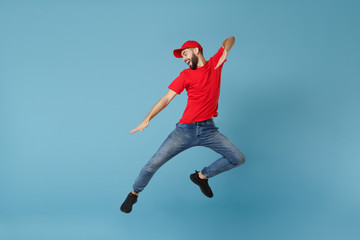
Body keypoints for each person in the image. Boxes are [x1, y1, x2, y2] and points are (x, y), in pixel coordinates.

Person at [120, 36, 245, 213]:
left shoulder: (215, 65)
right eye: (183, 57)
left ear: (196, 50)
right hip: (185, 131)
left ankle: (201, 177)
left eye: (186, 54)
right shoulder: (185, 75)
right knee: (153, 164)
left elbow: (230, 40)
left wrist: (226, 48)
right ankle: (134, 194)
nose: (184, 59)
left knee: (238, 159)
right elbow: (166, 99)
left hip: (209, 130)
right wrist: (147, 119)